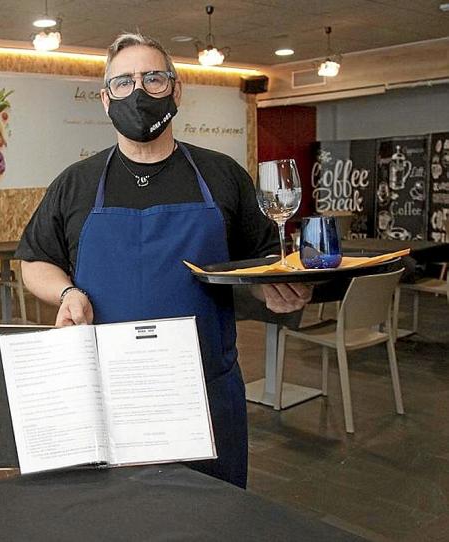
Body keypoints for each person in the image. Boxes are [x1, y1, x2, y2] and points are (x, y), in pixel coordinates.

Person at [15, 32, 311, 488]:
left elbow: (264, 263)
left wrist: (278, 291)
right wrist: (67, 292)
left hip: (205, 391)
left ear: (176, 90)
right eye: (123, 82)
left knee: (212, 515)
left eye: (153, 78)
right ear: (104, 99)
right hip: (105, 392)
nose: (138, 91)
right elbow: (34, 261)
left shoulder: (222, 175)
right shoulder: (76, 182)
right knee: (113, 517)